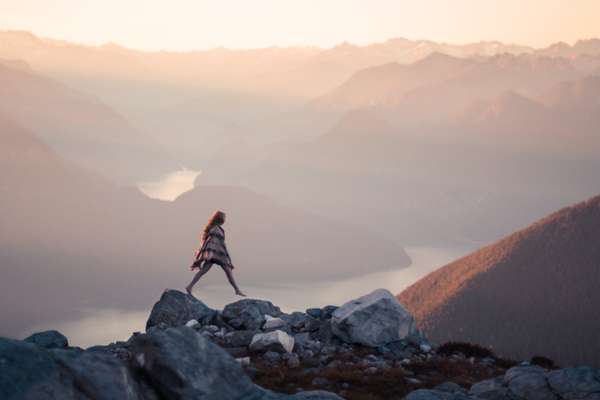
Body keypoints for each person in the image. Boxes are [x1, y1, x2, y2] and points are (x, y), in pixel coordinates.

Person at [186, 211, 246, 297]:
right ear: (221, 219)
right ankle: (237, 290)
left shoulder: (213, 228)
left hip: (215, 254)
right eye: (224, 219)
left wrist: (203, 252)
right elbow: (211, 243)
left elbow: (207, 242)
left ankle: (190, 286)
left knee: (204, 271)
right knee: (228, 271)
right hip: (216, 255)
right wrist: (209, 253)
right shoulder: (216, 230)